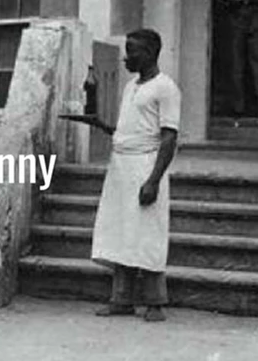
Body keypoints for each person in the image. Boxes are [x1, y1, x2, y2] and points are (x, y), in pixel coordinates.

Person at [89, 29, 181, 322]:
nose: (127, 57)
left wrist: (153, 180)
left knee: (147, 233)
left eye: (133, 51)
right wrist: (102, 125)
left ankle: (155, 303)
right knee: (121, 231)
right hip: (121, 167)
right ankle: (121, 300)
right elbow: (131, 129)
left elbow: (168, 138)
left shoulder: (166, 88)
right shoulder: (131, 87)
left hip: (146, 166)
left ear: (151, 53)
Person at [195, 0, 258, 116]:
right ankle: (238, 106)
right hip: (233, 12)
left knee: (255, 58)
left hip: (252, 12)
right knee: (235, 60)